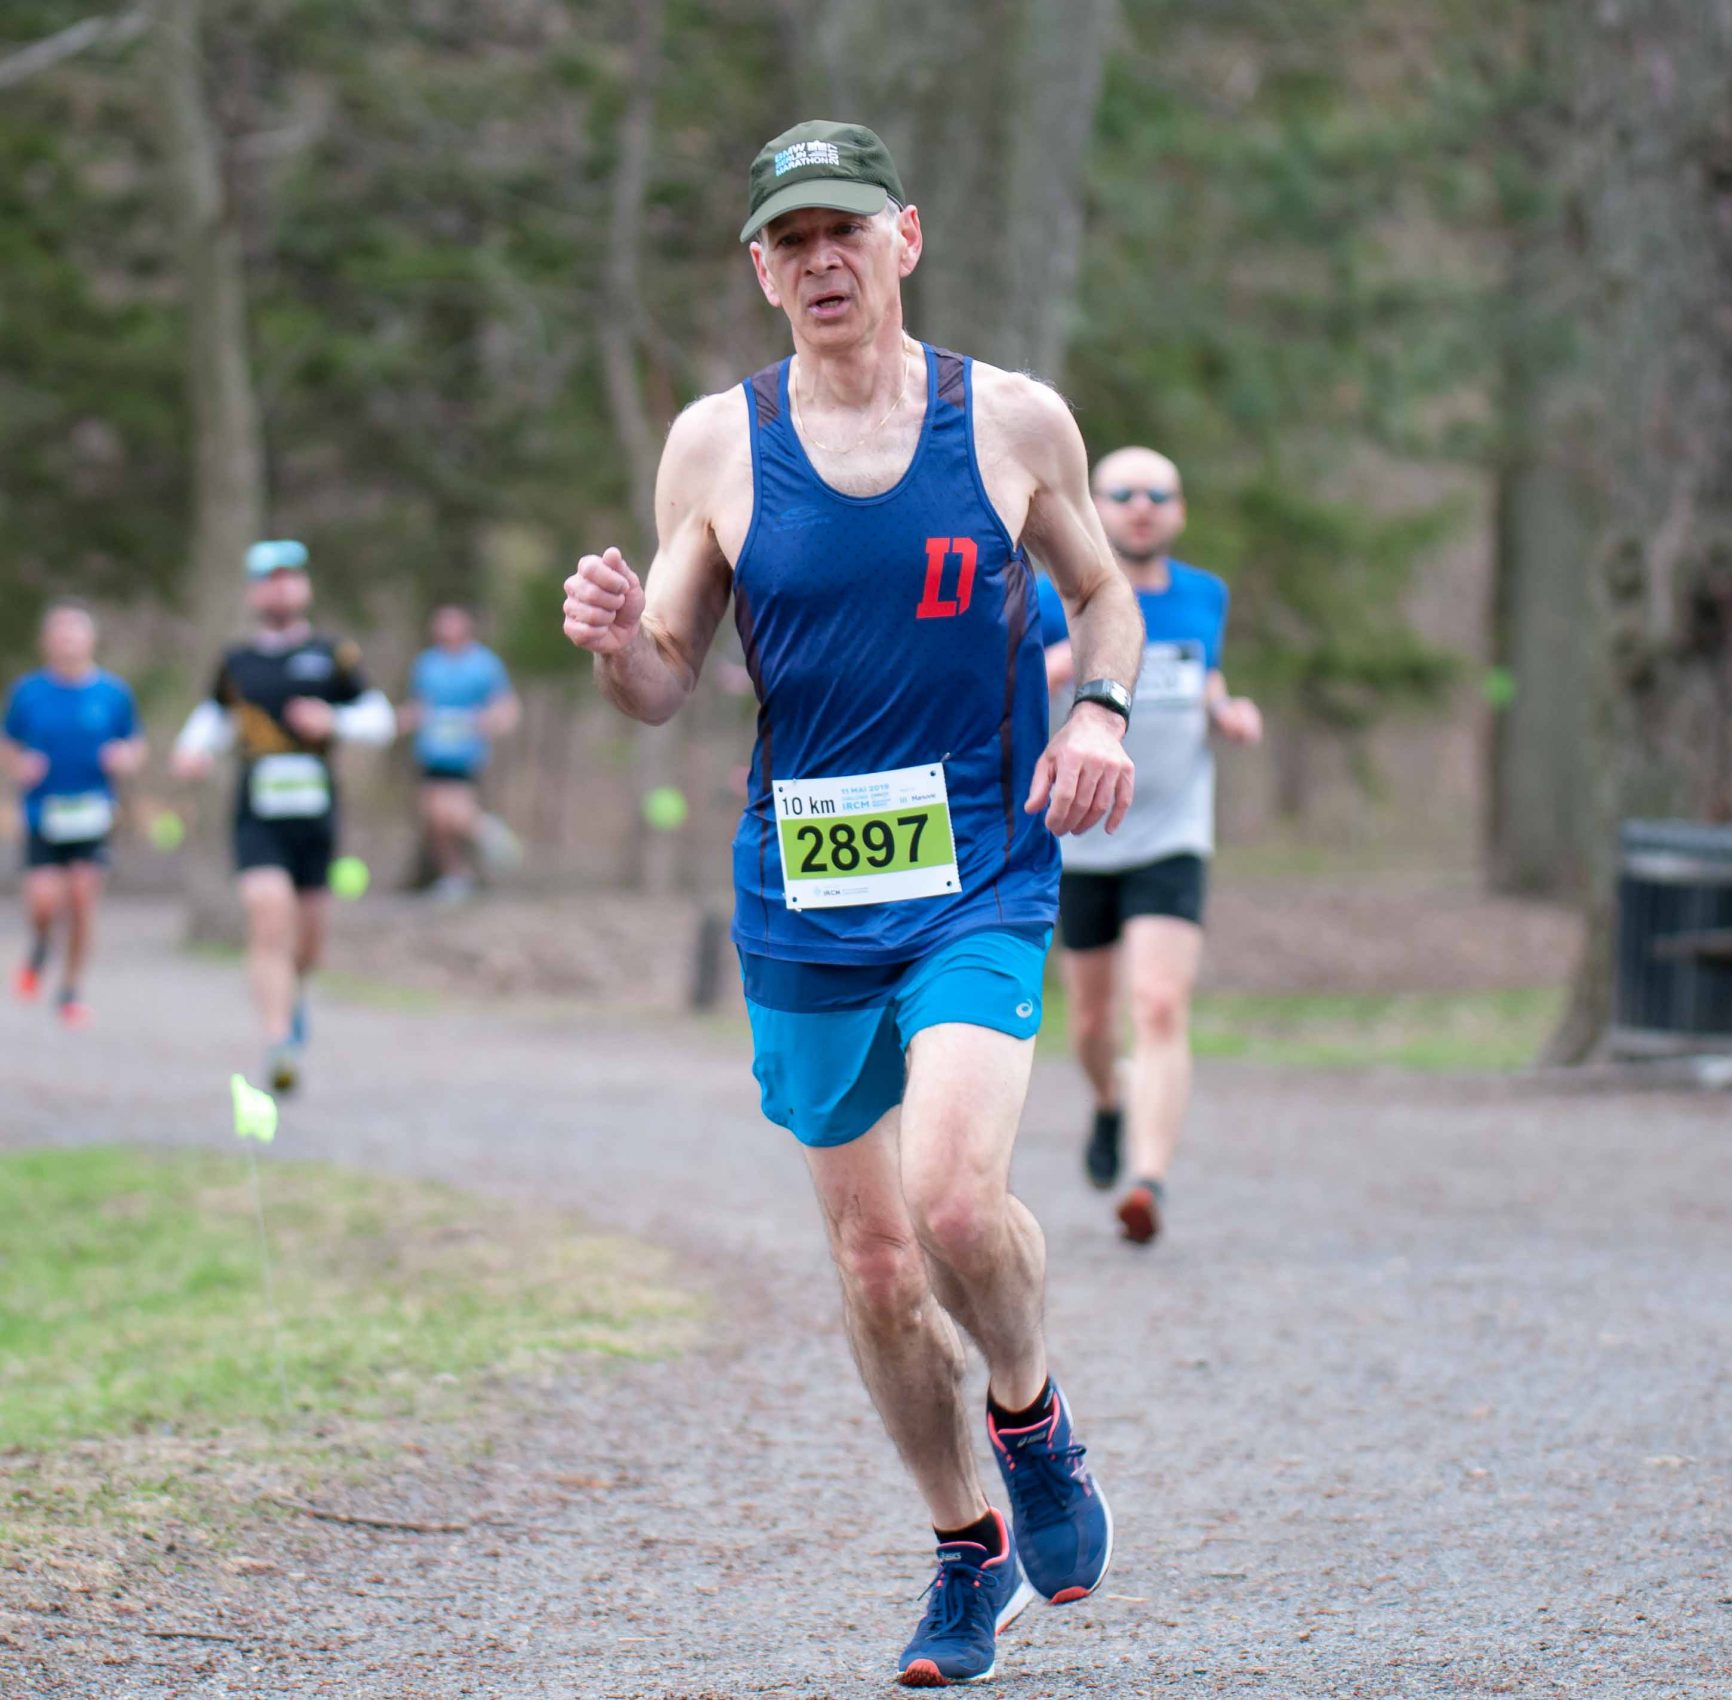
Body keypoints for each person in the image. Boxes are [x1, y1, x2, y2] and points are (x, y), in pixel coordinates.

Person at [562, 120, 1146, 1688]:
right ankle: (969, 1550)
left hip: (980, 868)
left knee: (958, 1201)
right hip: (805, 892)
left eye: (845, 232)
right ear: (761, 269)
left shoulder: (1011, 420)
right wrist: (615, 640)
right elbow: (665, 682)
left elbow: (1104, 594)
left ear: (906, 238)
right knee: (879, 1266)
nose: (820, 262)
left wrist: (1100, 716)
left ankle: (1033, 1422)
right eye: (787, 242)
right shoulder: (716, 445)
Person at [1031, 449, 1261, 1247]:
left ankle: (1146, 1181)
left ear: (1179, 511)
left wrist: (1227, 711)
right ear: (1092, 507)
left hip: (1171, 831)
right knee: (1092, 1023)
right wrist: (1054, 665)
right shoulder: (1049, 593)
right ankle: (1107, 1100)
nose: (1140, 506)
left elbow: (1203, 675)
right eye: (1122, 493)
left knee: (1159, 1004)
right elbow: (1006, 693)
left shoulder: (1205, 595)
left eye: (1158, 494)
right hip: (1080, 836)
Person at [170, 541, 395, 1093]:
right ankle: (278, 1045)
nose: (281, 586)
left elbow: (380, 719)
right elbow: (212, 718)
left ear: (305, 588)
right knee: (268, 918)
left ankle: (292, 1003)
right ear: (253, 591)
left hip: (316, 814)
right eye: (269, 578)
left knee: (309, 942)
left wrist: (332, 720)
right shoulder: (236, 662)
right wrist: (191, 750)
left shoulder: (333, 654)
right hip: (257, 811)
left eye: (290, 576)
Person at [0, 600, 143, 1027]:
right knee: (44, 904)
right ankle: (40, 946)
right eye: (60, 634)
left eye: (76, 633)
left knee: (82, 900)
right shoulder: (28, 692)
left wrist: (125, 757)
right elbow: (5, 744)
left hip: (93, 812)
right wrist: (19, 764)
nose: (68, 641)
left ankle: (71, 991)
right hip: (43, 811)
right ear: (47, 643)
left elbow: (135, 744)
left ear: (90, 639)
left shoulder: (113, 693)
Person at [402, 604, 519, 899]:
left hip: (464, 752)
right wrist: (400, 720)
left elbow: (506, 708)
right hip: (431, 751)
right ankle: (455, 877)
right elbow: (419, 706)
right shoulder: (427, 664)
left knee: (454, 812)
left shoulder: (483, 664)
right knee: (435, 819)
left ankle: (487, 833)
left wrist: (488, 722)